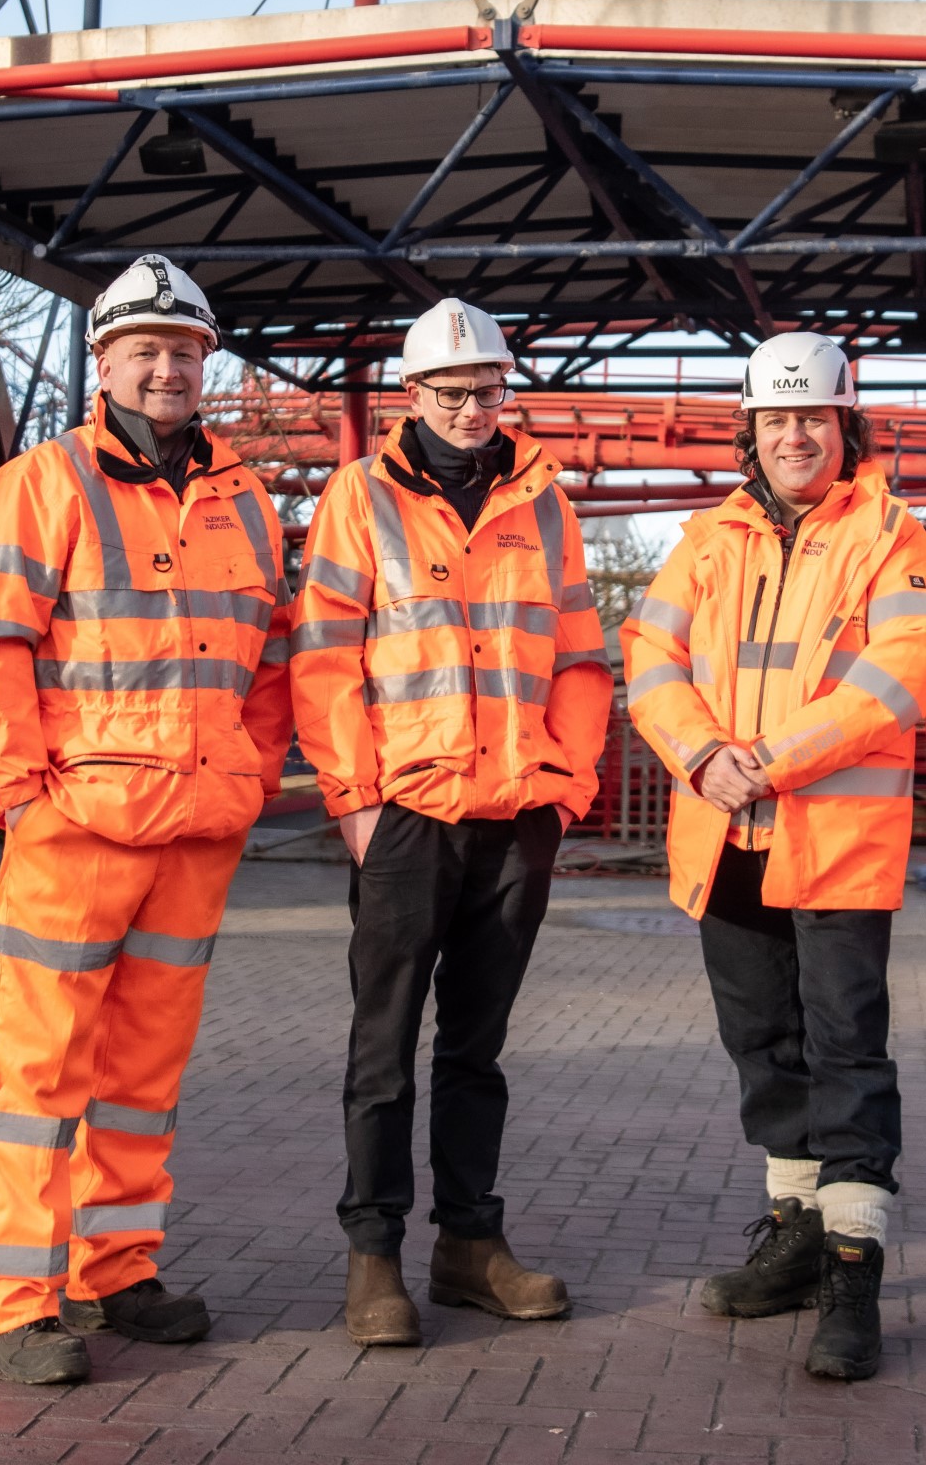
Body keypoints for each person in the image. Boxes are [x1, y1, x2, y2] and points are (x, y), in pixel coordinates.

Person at [0, 255, 292, 1385]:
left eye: (184, 352)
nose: (166, 368)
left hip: (194, 827)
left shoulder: (242, 498)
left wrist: (251, 771)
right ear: (104, 364)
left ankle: (114, 1268)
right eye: (145, 349)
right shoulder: (42, 482)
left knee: (143, 1071)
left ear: (206, 364)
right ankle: (16, 1298)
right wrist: (21, 790)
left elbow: (272, 660)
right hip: (76, 824)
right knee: (41, 1069)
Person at [290, 297, 613, 1346]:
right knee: (381, 1047)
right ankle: (373, 1257)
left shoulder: (545, 505)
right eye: (449, 391)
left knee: (477, 1049)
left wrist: (563, 791)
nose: (471, 407)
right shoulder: (359, 498)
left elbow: (577, 660)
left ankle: (470, 1245)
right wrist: (355, 799)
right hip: (406, 816)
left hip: (516, 813)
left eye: (486, 389)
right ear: (412, 396)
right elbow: (325, 658)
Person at [621, 331, 926, 1381]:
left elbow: (899, 674)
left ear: (845, 423)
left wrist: (767, 760)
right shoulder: (707, 540)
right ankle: (795, 1241)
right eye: (775, 419)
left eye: (813, 416)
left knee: (846, 1055)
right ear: (749, 432)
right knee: (765, 1048)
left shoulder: (892, 535)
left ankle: (852, 1276)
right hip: (725, 839)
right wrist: (704, 753)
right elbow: (649, 653)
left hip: (832, 841)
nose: (794, 434)